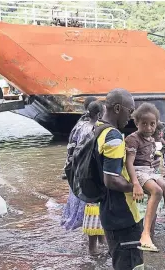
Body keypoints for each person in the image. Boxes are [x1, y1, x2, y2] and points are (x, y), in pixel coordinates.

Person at [125, 103, 165, 252]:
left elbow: (152, 157)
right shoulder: (133, 139)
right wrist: (135, 183)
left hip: (149, 170)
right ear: (136, 123)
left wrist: (155, 162)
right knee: (157, 191)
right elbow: (129, 163)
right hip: (137, 171)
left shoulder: (151, 139)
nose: (149, 128)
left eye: (152, 124)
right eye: (144, 124)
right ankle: (145, 234)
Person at [96, 88, 143, 270]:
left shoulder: (98, 128)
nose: (130, 118)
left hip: (108, 210)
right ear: (117, 108)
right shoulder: (114, 136)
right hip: (123, 215)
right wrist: (137, 187)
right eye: (129, 111)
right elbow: (111, 180)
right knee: (131, 264)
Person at [61, 100, 106, 255]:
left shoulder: (79, 126)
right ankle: (93, 248)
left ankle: (100, 240)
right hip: (88, 174)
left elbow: (70, 148)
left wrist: (67, 170)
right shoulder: (95, 130)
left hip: (77, 172)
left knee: (87, 208)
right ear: (100, 114)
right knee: (92, 208)